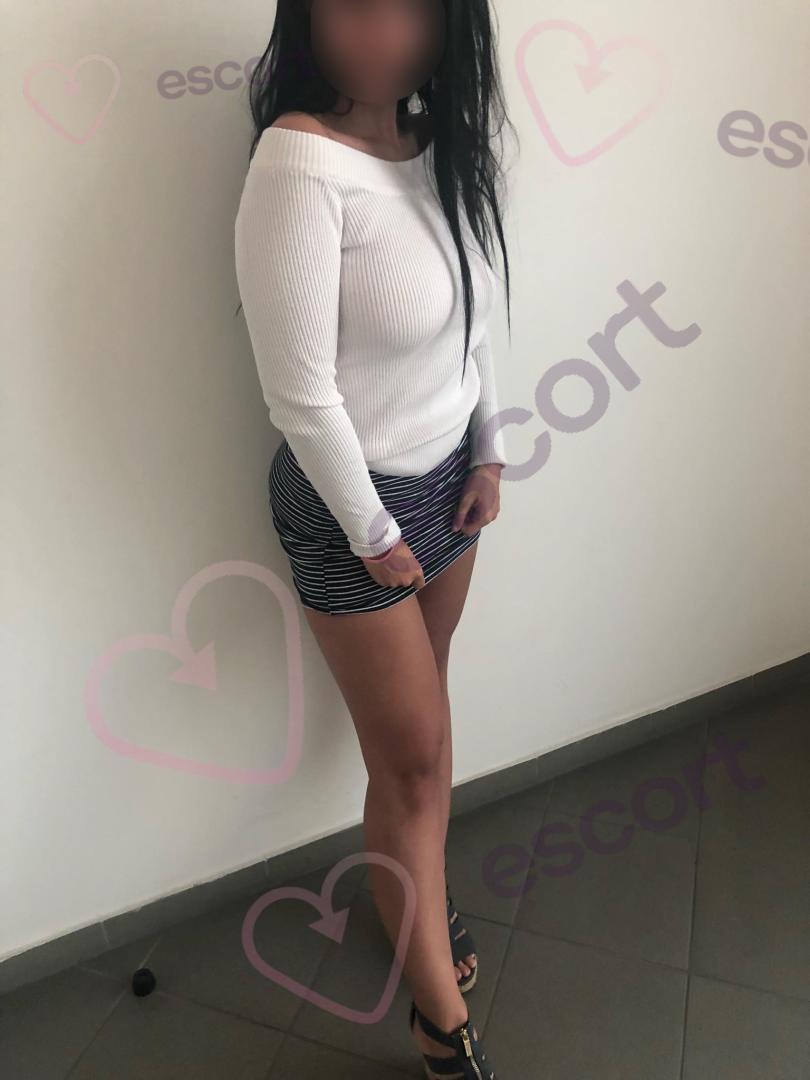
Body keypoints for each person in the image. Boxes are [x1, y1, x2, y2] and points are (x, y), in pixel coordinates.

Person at [234, 2, 515, 1074]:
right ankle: (439, 1021)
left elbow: (477, 323)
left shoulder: (445, 144)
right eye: (350, 3)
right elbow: (300, 397)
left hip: (451, 489)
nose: (380, 30)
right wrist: (372, 530)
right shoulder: (299, 161)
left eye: (409, 6)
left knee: (421, 741)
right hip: (355, 507)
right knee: (414, 758)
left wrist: (489, 451)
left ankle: (417, 899)